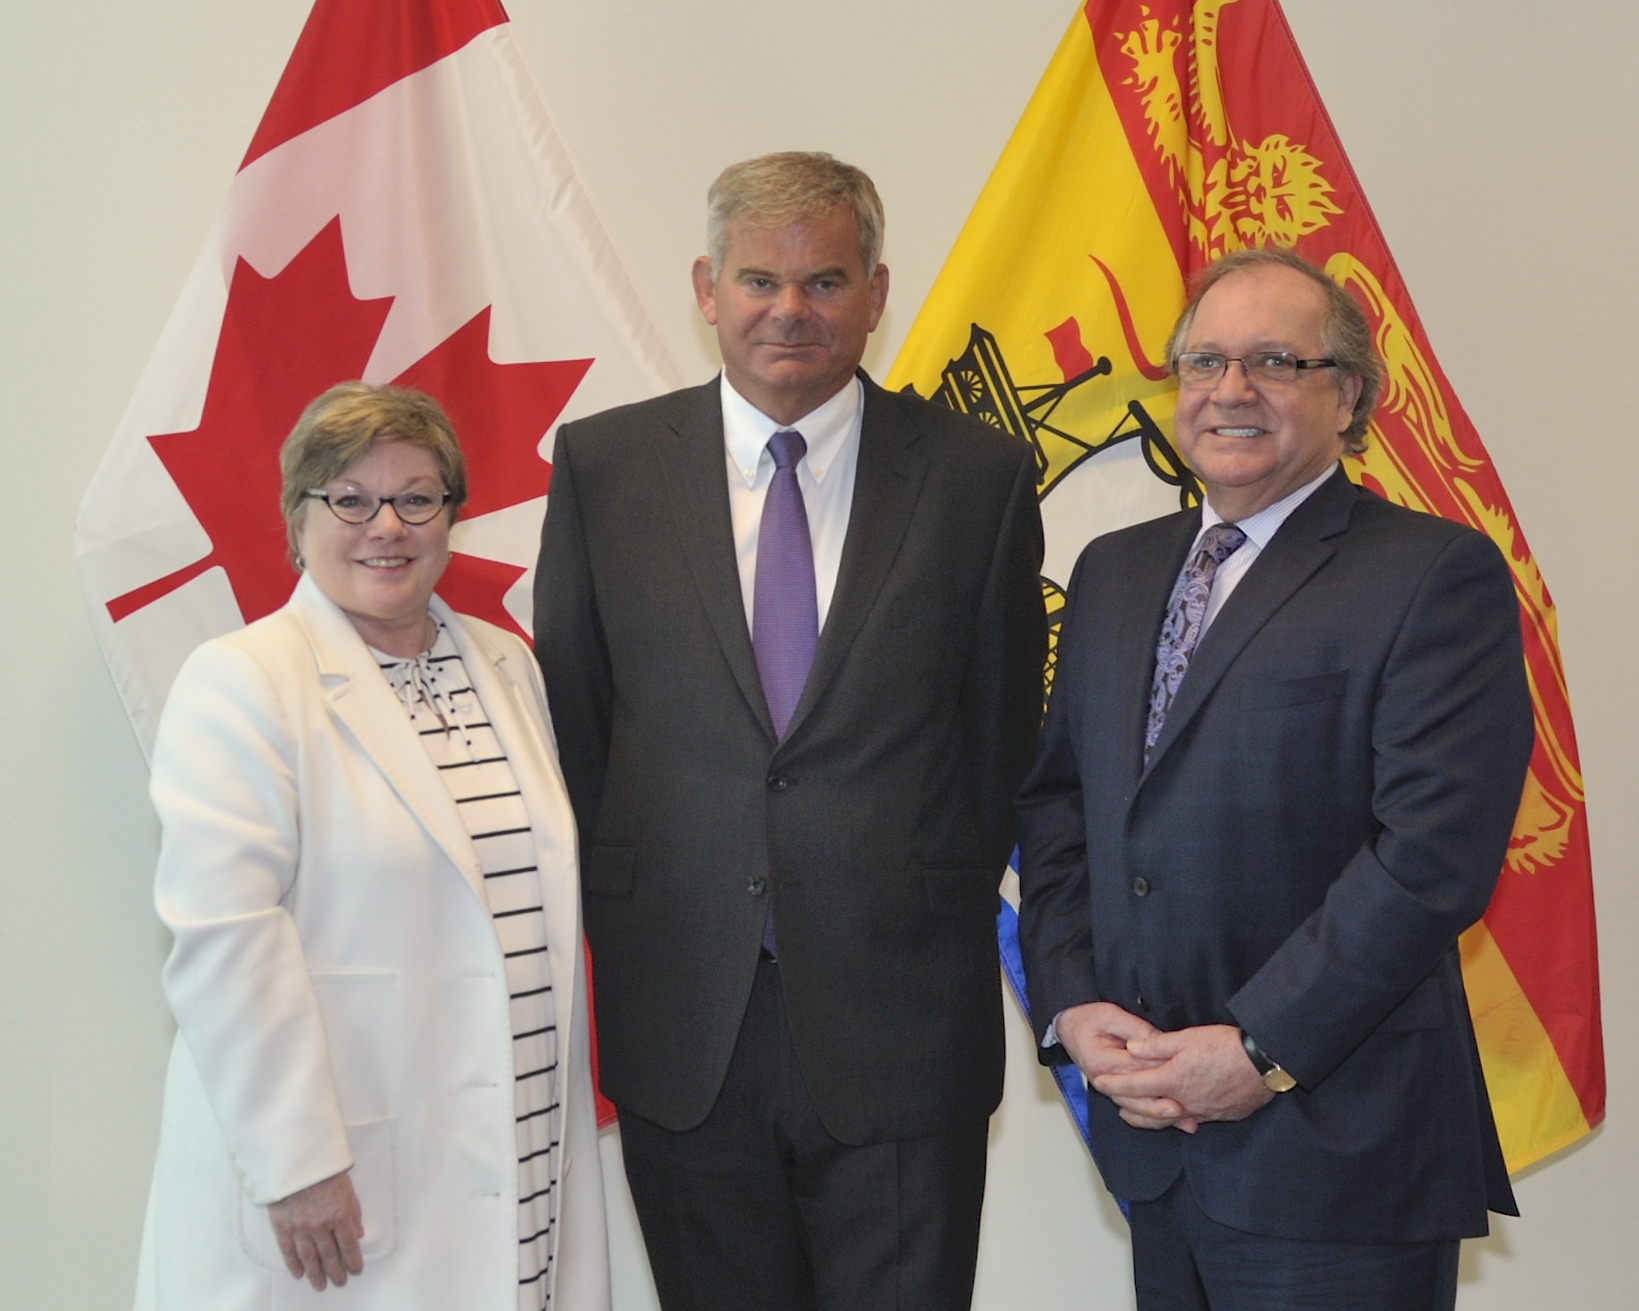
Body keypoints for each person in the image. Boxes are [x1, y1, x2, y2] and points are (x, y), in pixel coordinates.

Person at [534, 152, 1046, 1311]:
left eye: (824, 282)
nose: (789, 310)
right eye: (760, 280)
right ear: (707, 288)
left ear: (875, 293)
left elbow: (1002, 739)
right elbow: (578, 725)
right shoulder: (605, 468)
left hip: (903, 1017)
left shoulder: (979, 478)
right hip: (684, 1015)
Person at [1015, 247, 1533, 1310]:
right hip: (1154, 1147)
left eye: (1272, 362)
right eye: (1202, 361)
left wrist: (1260, 1049)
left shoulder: (1434, 575)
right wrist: (1072, 1003)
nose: (1229, 390)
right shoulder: (1113, 569)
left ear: (1346, 396)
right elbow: (1061, 804)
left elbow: (1429, 859)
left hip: (1337, 1152)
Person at [135, 384, 609, 1311]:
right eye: (349, 499)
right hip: (337, 1176)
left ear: (450, 514)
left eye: (417, 497)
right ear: (297, 515)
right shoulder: (241, 683)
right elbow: (224, 936)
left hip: (515, 1143)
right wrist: (296, 1160)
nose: (385, 526)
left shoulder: (508, 665)